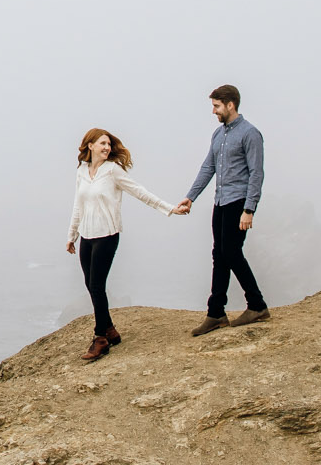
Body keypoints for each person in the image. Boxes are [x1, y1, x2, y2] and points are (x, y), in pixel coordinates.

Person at [67, 128, 179, 361]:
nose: (107, 148)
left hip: (107, 235)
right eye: (102, 144)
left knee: (97, 285)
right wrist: (72, 235)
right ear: (90, 146)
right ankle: (110, 329)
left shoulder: (113, 171)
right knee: (90, 284)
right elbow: (78, 205)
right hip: (87, 235)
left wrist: (169, 208)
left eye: (108, 144)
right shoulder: (82, 171)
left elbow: (140, 192)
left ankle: (101, 338)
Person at [173, 85, 268, 334]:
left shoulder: (251, 134)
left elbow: (257, 174)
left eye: (216, 106)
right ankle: (216, 313)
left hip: (239, 202)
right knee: (220, 254)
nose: (214, 111)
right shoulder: (218, 135)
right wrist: (190, 197)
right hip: (220, 202)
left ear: (230, 105)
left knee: (231, 252)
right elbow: (208, 167)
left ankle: (256, 305)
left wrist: (249, 209)